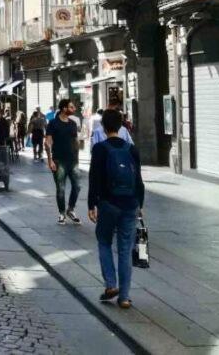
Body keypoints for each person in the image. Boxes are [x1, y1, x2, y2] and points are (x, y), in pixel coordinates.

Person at [87, 109, 144, 310]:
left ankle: (111, 284)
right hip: (130, 204)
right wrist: (140, 205)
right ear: (121, 126)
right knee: (125, 250)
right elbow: (139, 180)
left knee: (104, 241)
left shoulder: (100, 149)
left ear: (103, 126)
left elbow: (93, 178)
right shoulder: (131, 149)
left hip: (108, 205)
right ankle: (125, 297)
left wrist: (91, 204)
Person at [46, 99, 82, 225]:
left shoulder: (73, 123)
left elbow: (76, 141)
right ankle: (62, 213)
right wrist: (50, 160)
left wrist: (78, 154)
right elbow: (48, 142)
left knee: (77, 187)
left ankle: (70, 210)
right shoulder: (53, 123)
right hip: (59, 160)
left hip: (73, 161)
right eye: (71, 107)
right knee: (60, 189)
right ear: (64, 108)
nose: (74, 109)